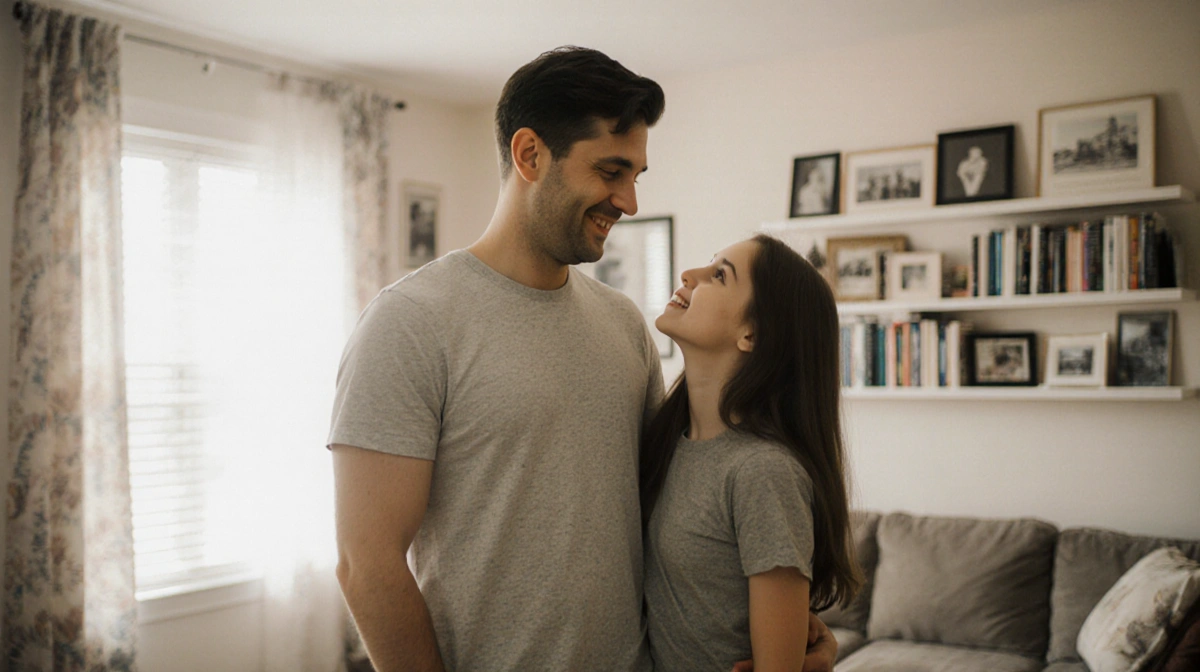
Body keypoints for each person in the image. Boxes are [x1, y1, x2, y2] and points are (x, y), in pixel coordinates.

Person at [328, 46, 838, 672]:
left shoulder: (623, 324)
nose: (627, 201)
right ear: (530, 155)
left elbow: (675, 510)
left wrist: (790, 634)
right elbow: (366, 563)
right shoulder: (411, 321)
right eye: (611, 171)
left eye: (636, 177)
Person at [641, 234, 862, 671]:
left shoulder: (763, 472)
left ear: (752, 333)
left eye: (718, 275)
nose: (689, 275)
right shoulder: (668, 440)